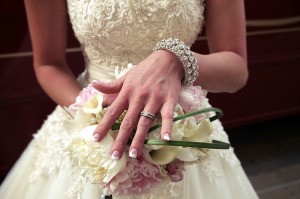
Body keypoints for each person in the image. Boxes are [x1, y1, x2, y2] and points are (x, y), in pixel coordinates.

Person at [0, 0, 259, 198]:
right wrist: (96, 118)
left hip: (180, 132)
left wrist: (176, 59)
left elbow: (236, 70)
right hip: (90, 123)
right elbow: (48, 64)